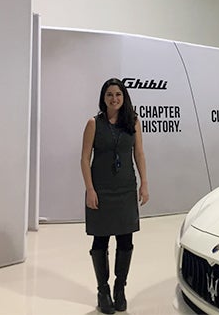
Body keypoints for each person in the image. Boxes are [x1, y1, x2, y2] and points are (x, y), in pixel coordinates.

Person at [81, 78, 149, 314]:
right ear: (103, 98)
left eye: (118, 94)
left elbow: (139, 154)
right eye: (109, 94)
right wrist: (90, 189)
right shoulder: (93, 123)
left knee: (125, 240)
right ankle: (103, 291)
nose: (114, 99)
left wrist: (144, 184)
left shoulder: (133, 122)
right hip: (101, 190)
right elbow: (84, 159)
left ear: (124, 97)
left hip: (125, 189)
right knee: (100, 240)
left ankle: (120, 289)